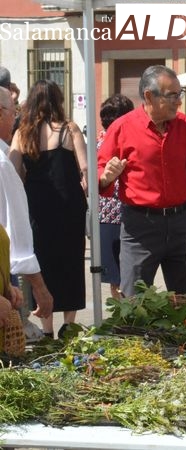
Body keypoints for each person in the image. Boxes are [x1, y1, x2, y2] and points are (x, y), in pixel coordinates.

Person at [97, 65, 186, 297]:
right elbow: (99, 171)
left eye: (180, 94)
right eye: (172, 95)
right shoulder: (122, 127)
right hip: (140, 227)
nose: (179, 101)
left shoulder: (184, 125)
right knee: (134, 300)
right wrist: (106, 177)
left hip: (181, 223)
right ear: (148, 96)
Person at [8, 80, 87, 338]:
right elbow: (85, 167)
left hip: (37, 205)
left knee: (43, 262)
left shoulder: (22, 133)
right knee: (71, 261)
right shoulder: (69, 129)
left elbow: (11, 169)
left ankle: (47, 328)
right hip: (69, 204)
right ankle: (69, 325)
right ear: (58, 101)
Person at [0, 86, 53, 327]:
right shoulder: (2, 163)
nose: (15, 119)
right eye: (13, 112)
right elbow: (16, 229)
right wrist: (39, 287)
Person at [97, 94, 135, 300]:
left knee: (115, 278)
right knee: (129, 276)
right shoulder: (130, 142)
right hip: (128, 214)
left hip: (105, 216)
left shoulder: (97, 143)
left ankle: (121, 310)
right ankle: (126, 311)